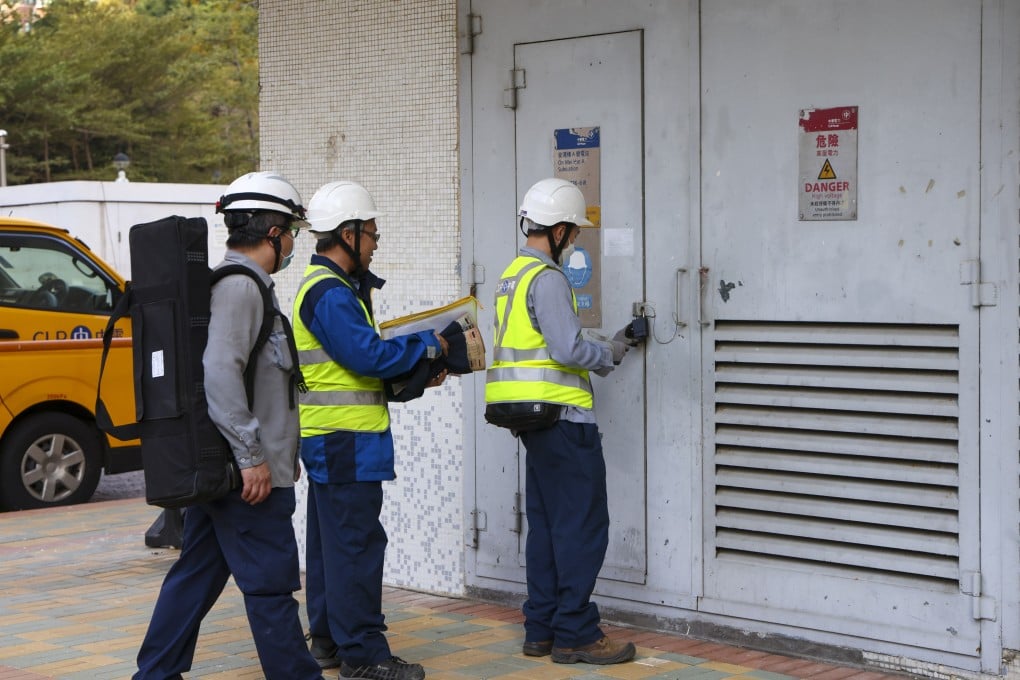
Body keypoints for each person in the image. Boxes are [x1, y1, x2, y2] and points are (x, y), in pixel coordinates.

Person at [134, 171, 324, 680]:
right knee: (269, 586)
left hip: (234, 474)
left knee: (195, 576)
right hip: (248, 480)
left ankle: (154, 674)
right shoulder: (242, 288)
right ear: (273, 232)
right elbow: (219, 372)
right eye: (292, 232)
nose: (291, 244)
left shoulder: (246, 286)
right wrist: (253, 457)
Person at [294, 180, 448, 680]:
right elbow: (367, 357)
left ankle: (329, 642)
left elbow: (356, 368)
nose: (377, 243)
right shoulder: (331, 294)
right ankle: (363, 656)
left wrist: (416, 373)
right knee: (356, 547)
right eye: (372, 233)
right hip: (345, 442)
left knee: (330, 549)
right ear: (348, 233)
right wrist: (431, 346)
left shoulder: (332, 291)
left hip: (335, 440)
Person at [484, 177, 641, 666]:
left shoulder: (512, 275)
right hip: (564, 421)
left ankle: (542, 629)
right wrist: (615, 348)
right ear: (559, 231)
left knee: (549, 527)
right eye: (573, 232)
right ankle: (576, 633)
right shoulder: (548, 278)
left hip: (533, 424)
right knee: (582, 526)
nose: (575, 240)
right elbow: (568, 348)